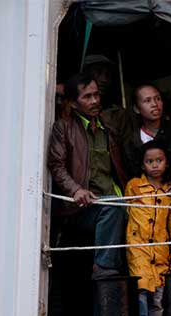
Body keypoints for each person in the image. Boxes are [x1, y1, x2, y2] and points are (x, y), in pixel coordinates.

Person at [48, 71, 128, 280]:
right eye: (87, 97)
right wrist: (76, 190)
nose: (94, 101)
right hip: (83, 208)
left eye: (96, 95)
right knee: (113, 205)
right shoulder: (63, 128)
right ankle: (104, 268)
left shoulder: (108, 129)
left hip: (117, 205)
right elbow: (56, 165)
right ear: (73, 104)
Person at [123, 142, 171, 316]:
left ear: (167, 163)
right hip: (138, 247)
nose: (155, 165)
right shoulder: (134, 186)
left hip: (161, 251)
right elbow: (126, 213)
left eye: (159, 160)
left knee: (158, 294)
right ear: (142, 165)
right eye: (149, 161)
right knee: (141, 289)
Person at [122, 84, 171, 193]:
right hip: (147, 201)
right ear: (137, 108)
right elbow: (132, 174)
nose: (155, 104)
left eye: (158, 99)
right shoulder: (132, 140)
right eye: (147, 101)